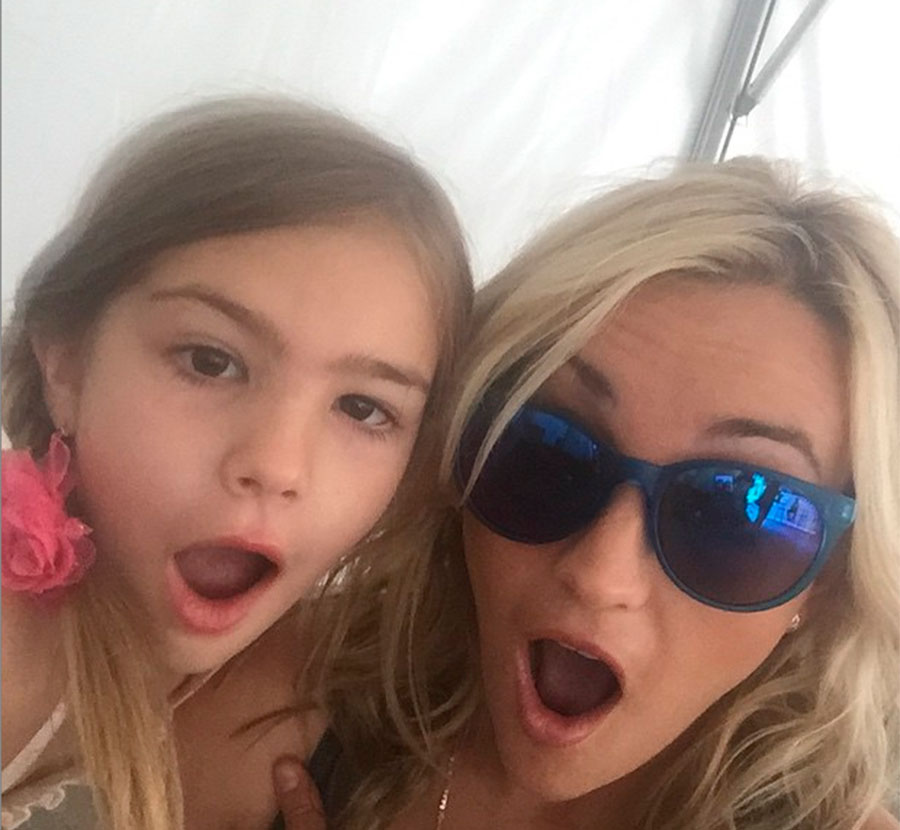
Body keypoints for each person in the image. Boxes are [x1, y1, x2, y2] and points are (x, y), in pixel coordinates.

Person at [258, 157, 899, 829]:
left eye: (732, 515)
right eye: (548, 449)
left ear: (830, 579)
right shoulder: (291, 695)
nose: (599, 575)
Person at [0, 94, 473, 830]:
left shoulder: (287, 681)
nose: (277, 464)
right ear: (64, 361)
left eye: (362, 408)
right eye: (210, 361)